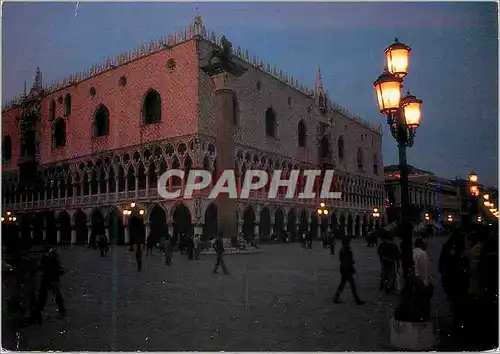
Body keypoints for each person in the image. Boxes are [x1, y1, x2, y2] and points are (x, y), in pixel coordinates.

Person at [34, 246, 66, 322]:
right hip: (46, 277)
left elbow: (59, 267)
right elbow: (42, 266)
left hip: (52, 278)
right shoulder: (45, 255)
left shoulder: (53, 254)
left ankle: (62, 311)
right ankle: (39, 311)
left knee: (56, 295)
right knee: (42, 295)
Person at [333, 238, 364, 305]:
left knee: (343, 284)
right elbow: (348, 261)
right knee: (351, 285)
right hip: (347, 269)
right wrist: (351, 268)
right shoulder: (346, 250)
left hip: (344, 269)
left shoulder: (343, 250)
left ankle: (336, 297)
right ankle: (357, 299)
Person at [412, 237, 433, 321]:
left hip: (414, 282)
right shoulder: (423, 254)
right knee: (423, 304)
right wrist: (426, 284)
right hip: (421, 283)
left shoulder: (412, 252)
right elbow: (425, 271)